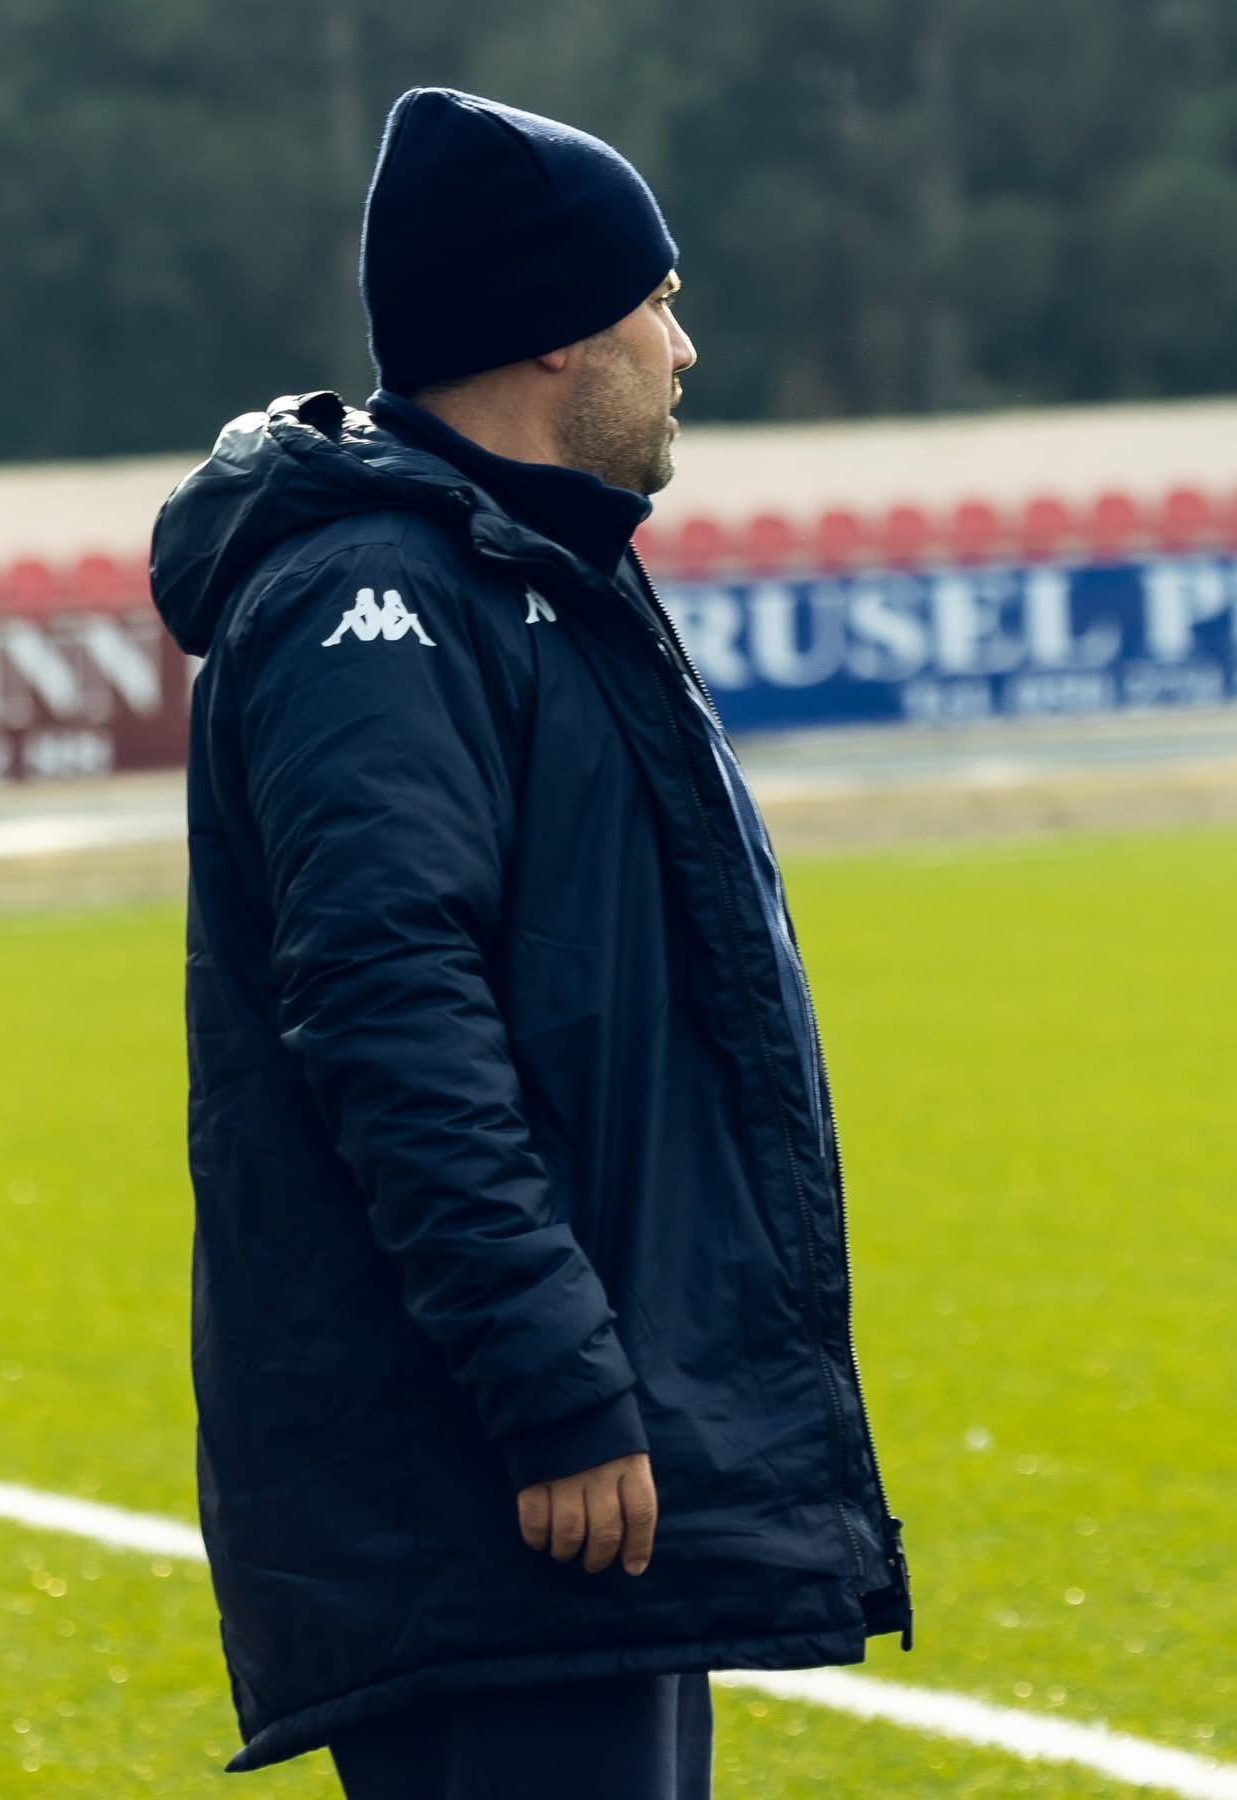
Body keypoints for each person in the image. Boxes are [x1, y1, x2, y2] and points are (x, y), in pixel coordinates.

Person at [150, 88, 911, 1800]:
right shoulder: (377, 601)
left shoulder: (529, 575)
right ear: (557, 331)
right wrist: (553, 1386)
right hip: (494, 1488)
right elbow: (392, 1016)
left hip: (565, 1475)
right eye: (659, 303)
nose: (683, 349)